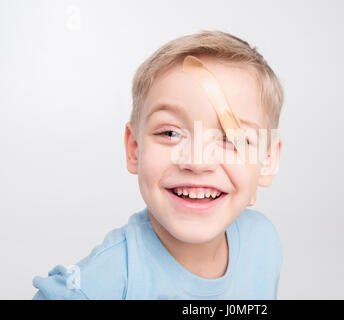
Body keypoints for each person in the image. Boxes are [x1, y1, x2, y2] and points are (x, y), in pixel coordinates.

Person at [32, 30, 284, 299]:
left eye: (231, 138)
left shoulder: (262, 243)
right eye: (170, 133)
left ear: (267, 160)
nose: (198, 161)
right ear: (134, 149)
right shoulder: (92, 288)